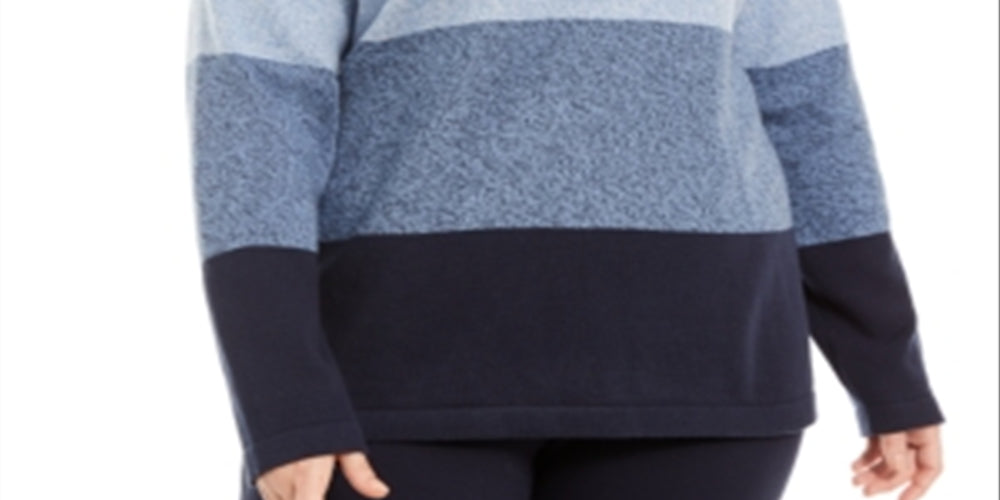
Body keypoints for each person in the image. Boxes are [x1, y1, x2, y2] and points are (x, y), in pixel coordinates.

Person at [184, 0, 947, 499]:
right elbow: (258, 117)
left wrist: (886, 368)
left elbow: (808, 106)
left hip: (704, 368)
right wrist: (284, 399)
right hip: (398, 376)